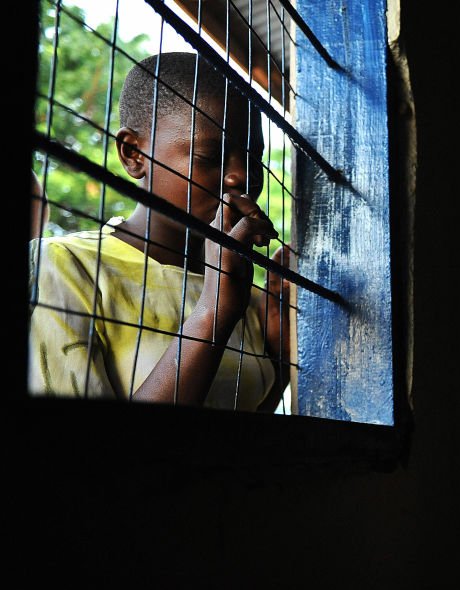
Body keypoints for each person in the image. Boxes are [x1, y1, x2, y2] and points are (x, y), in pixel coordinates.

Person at [28, 52, 288, 410]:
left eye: (252, 159)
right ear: (134, 154)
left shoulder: (252, 297)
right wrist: (214, 312)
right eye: (210, 157)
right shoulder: (64, 267)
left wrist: (280, 362)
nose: (240, 177)